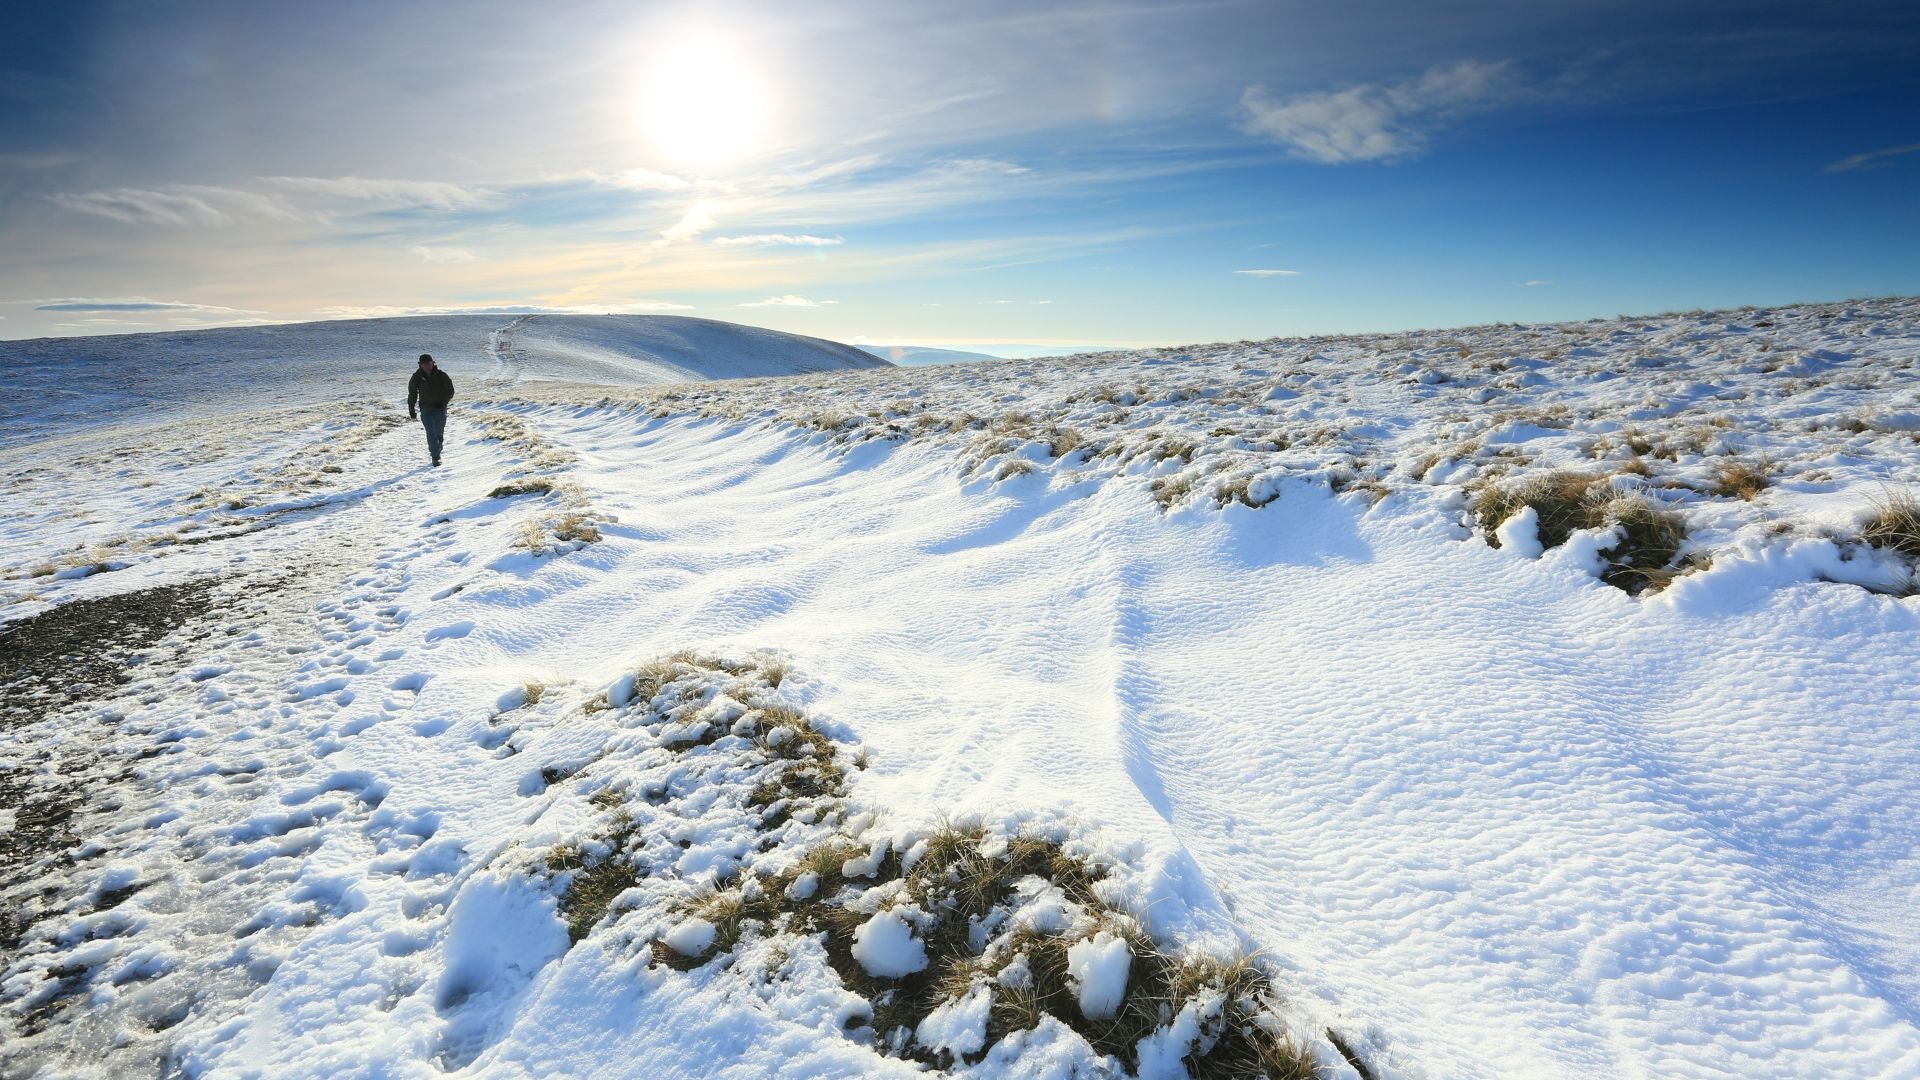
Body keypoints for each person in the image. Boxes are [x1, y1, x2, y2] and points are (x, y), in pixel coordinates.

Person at [407, 353, 455, 466]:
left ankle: (438, 447)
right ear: (420, 365)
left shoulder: (442, 375)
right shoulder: (416, 377)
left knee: (439, 432)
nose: (426, 366)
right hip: (426, 409)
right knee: (431, 432)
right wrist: (411, 409)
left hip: (440, 409)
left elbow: (450, 391)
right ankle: (435, 456)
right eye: (423, 364)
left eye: (428, 364)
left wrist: (443, 403)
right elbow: (412, 393)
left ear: (432, 363)